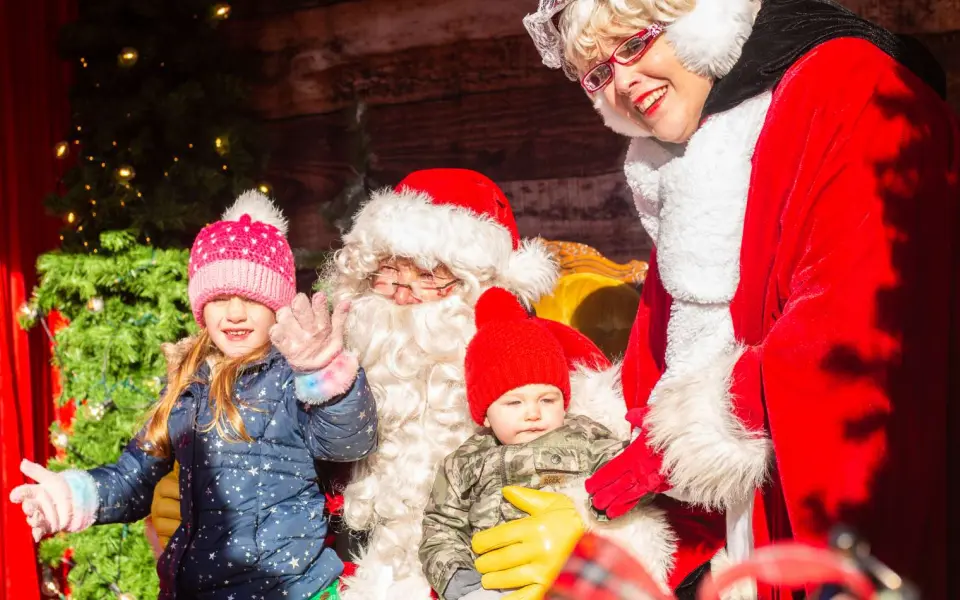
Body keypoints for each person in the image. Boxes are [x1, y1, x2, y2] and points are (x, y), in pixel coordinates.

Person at [484, 0, 956, 597]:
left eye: (634, 42)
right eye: (599, 73)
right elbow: (657, 364)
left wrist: (675, 444)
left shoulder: (848, 84)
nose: (623, 83)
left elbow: (848, 335)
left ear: (703, 20)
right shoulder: (692, 156)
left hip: (843, 511)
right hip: (743, 524)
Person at [9, 191, 379, 600]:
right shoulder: (188, 382)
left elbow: (347, 441)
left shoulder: (293, 377)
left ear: (278, 305)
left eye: (251, 298)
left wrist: (323, 374)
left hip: (285, 590)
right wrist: (72, 495)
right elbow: (134, 478)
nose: (234, 313)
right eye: (219, 298)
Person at [328, 168, 672, 600]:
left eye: (429, 276)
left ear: (483, 284)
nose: (402, 295)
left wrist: (589, 536)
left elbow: (645, 481)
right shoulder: (343, 371)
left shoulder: (553, 356)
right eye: (387, 274)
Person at [420, 287, 674, 600]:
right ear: (484, 415)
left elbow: (625, 477)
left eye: (547, 399)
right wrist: (462, 584)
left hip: (572, 577)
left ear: (564, 402)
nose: (533, 413)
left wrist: (652, 456)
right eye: (514, 403)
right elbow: (441, 526)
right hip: (495, 583)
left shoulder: (584, 437)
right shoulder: (464, 462)